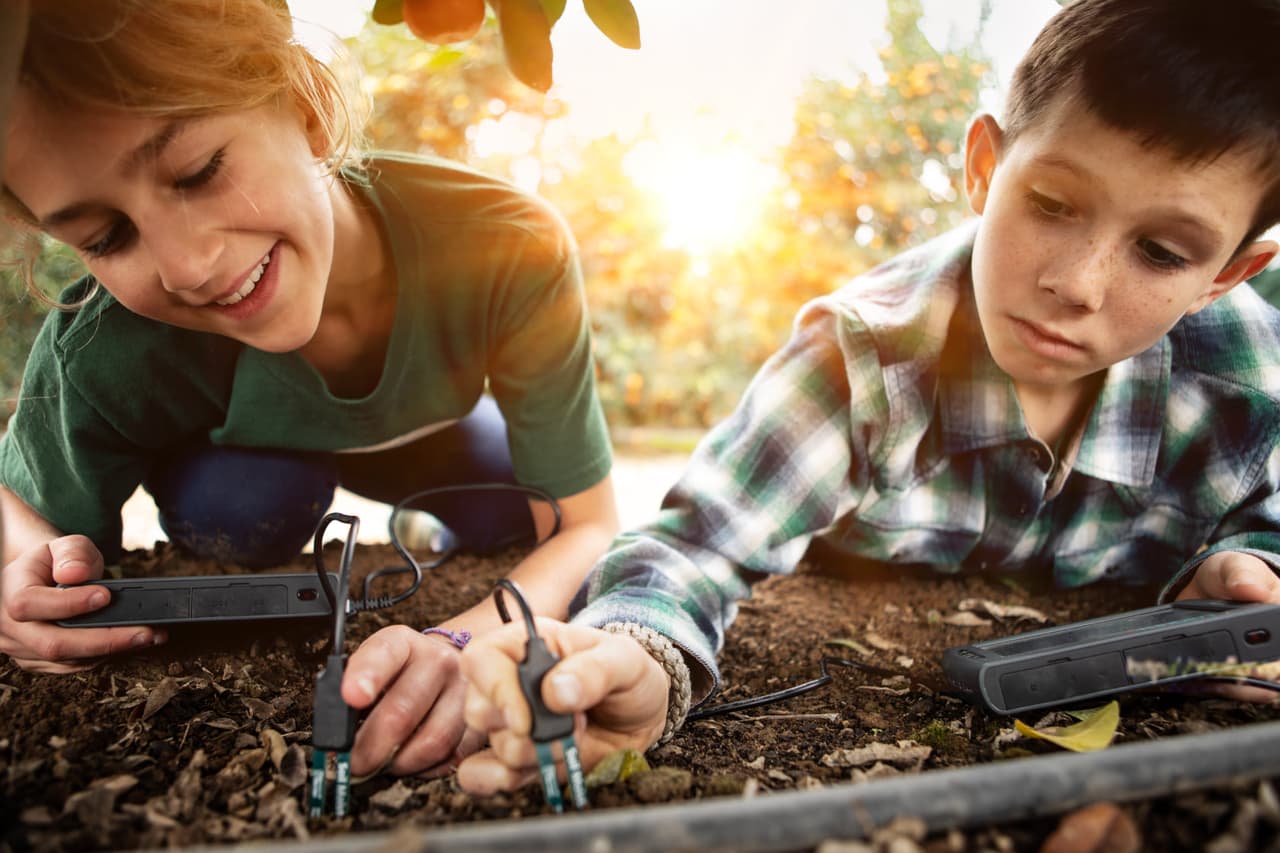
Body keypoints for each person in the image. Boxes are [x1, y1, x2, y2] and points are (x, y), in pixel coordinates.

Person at [453, 0, 1280, 796]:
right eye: (1053, 204)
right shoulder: (862, 357)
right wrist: (639, 650)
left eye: (1162, 251)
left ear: (1227, 275)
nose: (1076, 282)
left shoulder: (1249, 381)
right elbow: (698, 543)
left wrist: (1251, 569)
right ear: (986, 169)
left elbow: (1263, 521)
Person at [0, 0, 619, 779]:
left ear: (307, 107)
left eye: (198, 171)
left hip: (431, 439)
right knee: (248, 506)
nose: (186, 266)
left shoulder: (509, 243)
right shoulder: (104, 345)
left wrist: (464, 638)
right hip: (246, 463)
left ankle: (430, 529)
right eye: (105, 237)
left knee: (514, 502)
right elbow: (22, 515)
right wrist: (21, 572)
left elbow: (588, 526)